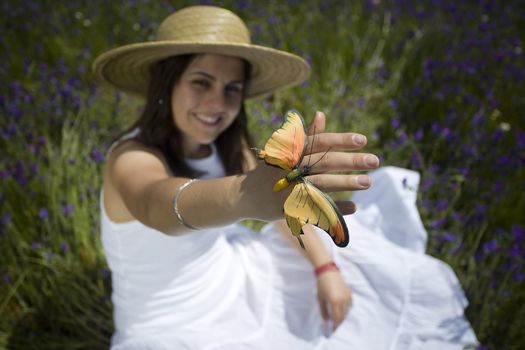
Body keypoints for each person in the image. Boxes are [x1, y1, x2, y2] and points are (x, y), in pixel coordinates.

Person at [93, 5, 478, 350]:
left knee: (367, 284)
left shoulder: (225, 147)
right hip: (166, 324)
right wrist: (243, 197)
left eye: (232, 90)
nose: (217, 104)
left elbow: (279, 209)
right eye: (200, 82)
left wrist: (325, 268)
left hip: (230, 278)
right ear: (167, 83)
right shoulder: (130, 157)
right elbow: (156, 203)